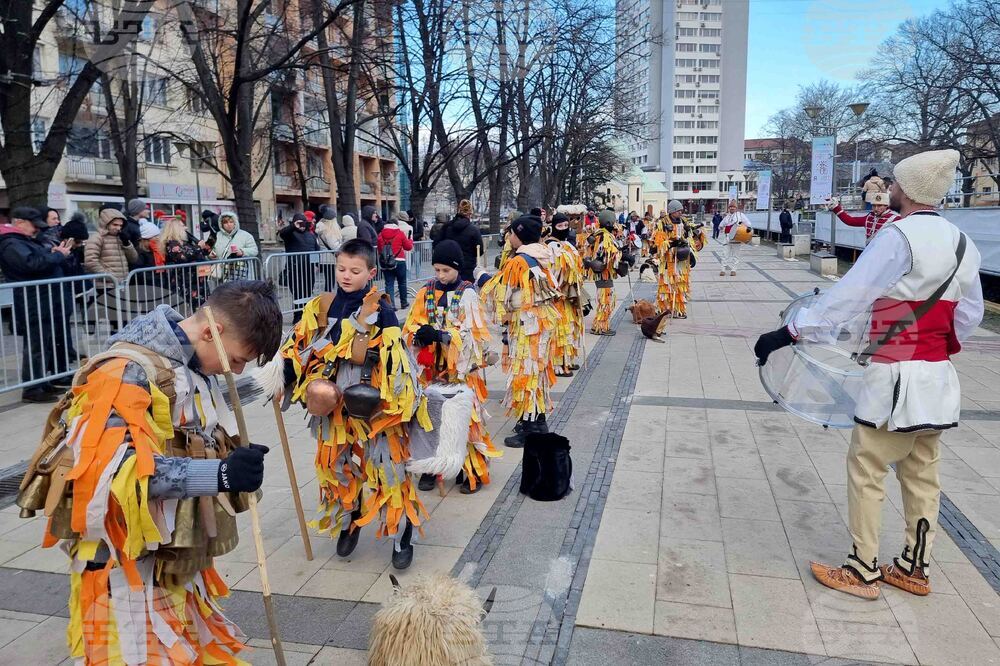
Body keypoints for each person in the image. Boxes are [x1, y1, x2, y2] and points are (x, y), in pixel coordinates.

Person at [754, 149, 983, 600]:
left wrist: (791, 330)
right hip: (937, 378)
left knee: (867, 467)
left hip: (895, 378)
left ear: (909, 189)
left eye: (894, 184)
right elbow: (970, 315)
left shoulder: (898, 237)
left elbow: (849, 297)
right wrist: (931, 340)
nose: (889, 190)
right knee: (922, 476)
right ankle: (914, 568)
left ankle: (862, 569)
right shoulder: (962, 242)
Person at [16, 280, 281, 663]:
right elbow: (113, 471)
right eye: (238, 359)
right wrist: (220, 475)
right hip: (121, 558)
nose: (235, 369)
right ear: (212, 331)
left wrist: (229, 453)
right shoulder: (127, 372)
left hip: (167, 553)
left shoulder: (190, 364)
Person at [275, 239, 428, 569]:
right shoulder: (320, 305)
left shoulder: (382, 308)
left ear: (370, 273)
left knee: (388, 466)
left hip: (373, 399)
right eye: (341, 268)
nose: (346, 275)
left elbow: (397, 360)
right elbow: (298, 344)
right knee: (332, 465)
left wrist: (400, 403)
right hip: (330, 399)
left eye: (355, 271)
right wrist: (284, 374)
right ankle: (351, 514)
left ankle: (401, 531)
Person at [403, 239, 499, 494]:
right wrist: (419, 335)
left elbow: (473, 335)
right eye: (437, 270)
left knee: (466, 419)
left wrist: (444, 336)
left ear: (458, 268)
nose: (441, 275)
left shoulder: (467, 293)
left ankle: (472, 469)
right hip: (430, 369)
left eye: (446, 270)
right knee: (428, 417)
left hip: (460, 371)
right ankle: (429, 467)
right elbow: (412, 323)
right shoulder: (426, 292)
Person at [480, 215, 560, 448]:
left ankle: (531, 429)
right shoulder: (542, 255)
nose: (509, 237)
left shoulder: (520, 262)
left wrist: (482, 278)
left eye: (512, 233)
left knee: (526, 374)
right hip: (541, 323)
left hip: (528, 326)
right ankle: (537, 422)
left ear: (519, 235)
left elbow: (499, 293)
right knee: (536, 374)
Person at [0, 207, 73, 402]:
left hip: (42, 299)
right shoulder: (11, 243)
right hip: (34, 300)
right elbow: (31, 264)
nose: (36, 230)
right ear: (19, 222)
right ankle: (32, 387)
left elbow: (37, 260)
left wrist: (52, 253)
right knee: (36, 344)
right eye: (33, 226)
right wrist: (57, 255)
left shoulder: (22, 241)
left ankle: (42, 381)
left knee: (45, 342)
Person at [544, 213, 589, 376]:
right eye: (559, 226)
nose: (563, 229)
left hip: (571, 295)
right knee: (559, 331)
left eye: (565, 226)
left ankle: (567, 360)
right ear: (553, 227)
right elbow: (551, 272)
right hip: (558, 296)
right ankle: (557, 364)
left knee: (570, 329)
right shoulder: (550, 246)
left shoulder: (568, 246)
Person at [583, 210, 622, 336]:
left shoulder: (598, 233)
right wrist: (621, 254)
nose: (616, 224)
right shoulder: (605, 236)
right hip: (603, 272)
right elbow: (609, 253)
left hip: (600, 272)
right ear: (609, 222)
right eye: (614, 221)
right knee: (605, 300)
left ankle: (599, 325)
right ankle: (601, 327)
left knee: (604, 299)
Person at [278, 213, 320, 322]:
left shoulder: (311, 235)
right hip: (294, 268)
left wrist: (316, 264)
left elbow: (315, 249)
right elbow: (282, 233)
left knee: (308, 292)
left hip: (309, 269)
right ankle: (297, 317)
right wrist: (293, 226)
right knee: (298, 294)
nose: (301, 225)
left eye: (303, 223)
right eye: (299, 223)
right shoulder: (290, 234)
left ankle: (306, 315)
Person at [84, 207, 139, 283]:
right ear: (106, 224)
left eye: (121, 225)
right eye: (115, 225)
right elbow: (91, 262)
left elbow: (134, 259)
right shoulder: (97, 238)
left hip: (122, 282)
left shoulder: (121, 237)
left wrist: (127, 244)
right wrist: (110, 277)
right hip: (106, 284)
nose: (118, 228)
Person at [825, 192, 901, 244]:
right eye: (874, 205)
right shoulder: (870, 217)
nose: (876, 208)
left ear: (886, 206)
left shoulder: (896, 219)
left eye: (879, 205)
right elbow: (850, 221)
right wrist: (836, 208)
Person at [377, 214, 414, 309]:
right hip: (400, 261)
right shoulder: (400, 233)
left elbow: (380, 250)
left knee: (389, 283)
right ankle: (404, 303)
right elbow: (408, 247)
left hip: (386, 262)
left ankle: (391, 305)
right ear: (396, 224)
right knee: (402, 283)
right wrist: (410, 240)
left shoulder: (380, 235)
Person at [444, 199, 485, 282]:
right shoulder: (473, 230)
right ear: (470, 213)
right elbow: (479, 250)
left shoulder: (448, 228)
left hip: (451, 267)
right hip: (468, 268)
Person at [316, 204, 344, 290]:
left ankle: (329, 300)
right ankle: (331, 301)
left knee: (330, 282)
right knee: (332, 282)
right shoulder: (327, 230)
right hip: (330, 258)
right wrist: (345, 246)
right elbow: (335, 246)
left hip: (327, 258)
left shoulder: (322, 228)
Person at [719, 201, 749, 277]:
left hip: (736, 238)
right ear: (729, 208)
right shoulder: (727, 217)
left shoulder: (740, 215)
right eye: (730, 207)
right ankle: (723, 269)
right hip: (727, 238)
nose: (732, 208)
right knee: (724, 254)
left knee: (736, 255)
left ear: (736, 208)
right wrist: (721, 227)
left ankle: (733, 270)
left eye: (733, 207)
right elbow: (721, 225)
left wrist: (746, 229)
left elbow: (748, 224)